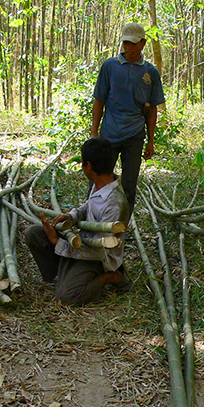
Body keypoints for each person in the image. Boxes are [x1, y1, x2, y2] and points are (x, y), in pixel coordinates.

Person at [23, 137, 132, 305]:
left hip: (97, 258)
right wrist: (72, 216)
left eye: (82, 163)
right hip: (81, 244)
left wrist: (58, 243)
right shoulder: (100, 183)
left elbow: (99, 251)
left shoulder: (115, 203)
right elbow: (89, 206)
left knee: (67, 297)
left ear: (89, 166)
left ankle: (111, 277)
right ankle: (63, 274)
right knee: (33, 234)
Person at [91, 22, 165, 212]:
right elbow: (99, 100)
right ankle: (92, 220)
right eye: (125, 43)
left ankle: (122, 226)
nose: (128, 48)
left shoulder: (150, 72)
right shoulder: (110, 66)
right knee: (99, 179)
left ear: (143, 43)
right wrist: (95, 133)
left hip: (134, 136)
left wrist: (150, 140)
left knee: (129, 185)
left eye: (133, 44)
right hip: (109, 134)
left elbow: (152, 109)